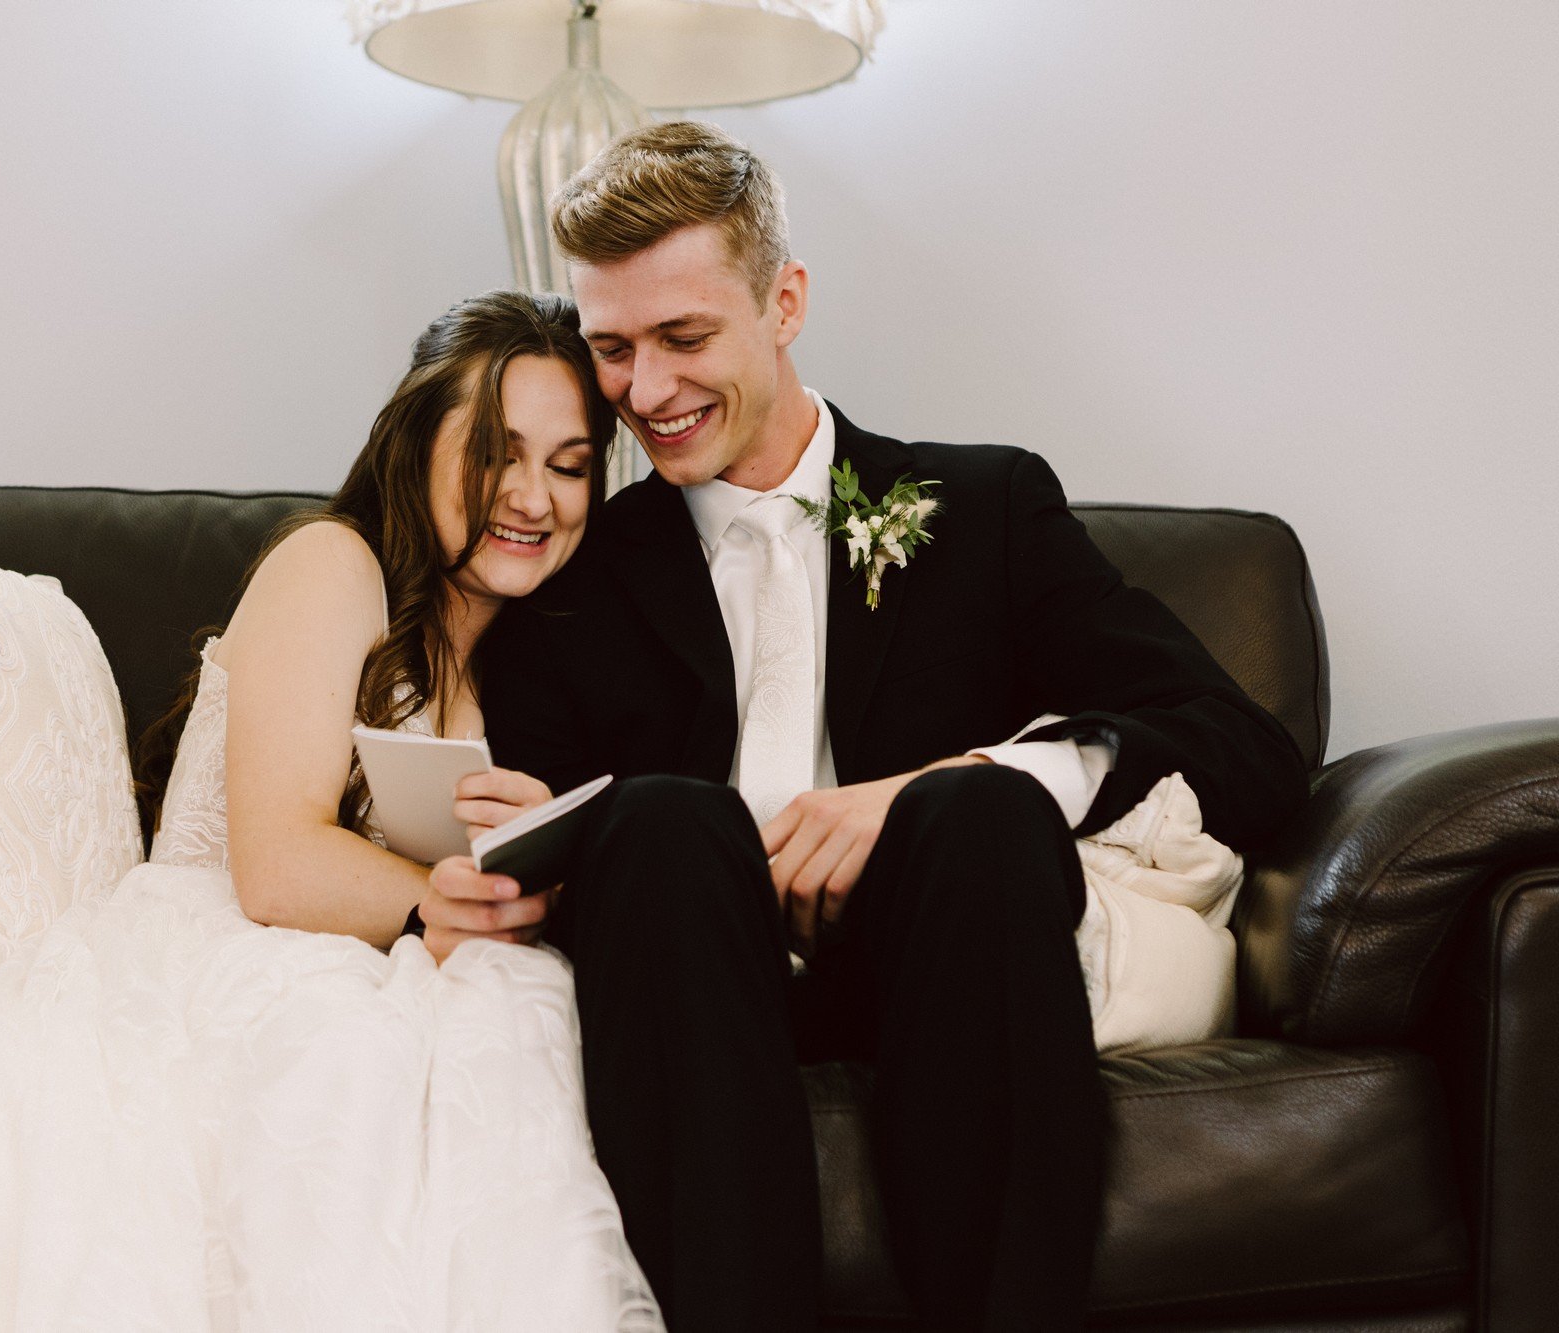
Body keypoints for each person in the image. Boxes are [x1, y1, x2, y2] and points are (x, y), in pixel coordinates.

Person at [0, 291, 664, 1332]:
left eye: (569, 465)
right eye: (497, 453)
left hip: (381, 954)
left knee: (508, 1033)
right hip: (220, 944)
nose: (531, 495)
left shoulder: (523, 651)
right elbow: (276, 862)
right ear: (415, 442)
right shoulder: (331, 563)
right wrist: (441, 901)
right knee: (358, 1074)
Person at [420, 124, 1311, 1331]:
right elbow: (551, 835)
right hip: (690, 992)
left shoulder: (984, 506)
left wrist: (961, 771)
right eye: (613, 349)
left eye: (685, 337)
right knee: (661, 823)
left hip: (944, 968)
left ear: (783, 301)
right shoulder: (572, 570)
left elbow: (1241, 745)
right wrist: (521, 848)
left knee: (978, 808)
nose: (647, 392)